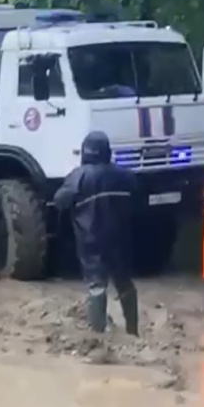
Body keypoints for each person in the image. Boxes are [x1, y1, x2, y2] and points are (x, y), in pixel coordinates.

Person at [54, 130, 140, 335]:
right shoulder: (126, 175)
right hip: (121, 238)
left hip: (90, 239)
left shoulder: (78, 176)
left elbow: (60, 201)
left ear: (86, 152)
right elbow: (139, 202)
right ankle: (133, 332)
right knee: (125, 283)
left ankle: (98, 337)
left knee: (97, 285)